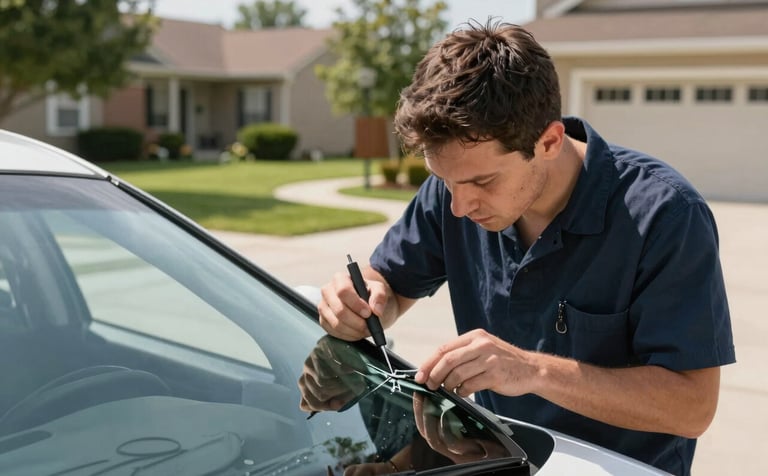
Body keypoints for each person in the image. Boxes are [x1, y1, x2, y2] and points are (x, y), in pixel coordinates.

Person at [316, 19, 735, 475]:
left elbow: (692, 407)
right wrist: (362, 302)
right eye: (443, 181)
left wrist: (531, 371)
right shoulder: (454, 192)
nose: (458, 207)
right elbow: (388, 286)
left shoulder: (665, 215)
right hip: (498, 463)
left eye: (482, 181)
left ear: (549, 141)